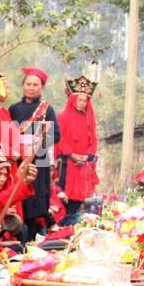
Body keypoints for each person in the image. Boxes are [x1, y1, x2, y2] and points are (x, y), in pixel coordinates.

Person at [9, 66, 61, 235]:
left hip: (39, 162)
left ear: (42, 88)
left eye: (35, 85)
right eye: (28, 84)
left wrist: (37, 142)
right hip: (18, 161)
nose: (31, 88)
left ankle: (32, 240)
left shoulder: (47, 110)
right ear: (23, 86)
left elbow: (56, 135)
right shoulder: (13, 109)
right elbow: (7, 134)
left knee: (35, 203)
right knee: (19, 201)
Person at [55, 73, 100, 225]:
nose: (82, 103)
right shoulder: (63, 117)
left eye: (85, 100)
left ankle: (71, 226)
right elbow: (59, 138)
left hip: (82, 165)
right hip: (67, 164)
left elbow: (93, 140)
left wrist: (86, 156)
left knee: (77, 202)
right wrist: (72, 154)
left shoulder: (89, 120)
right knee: (64, 199)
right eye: (80, 100)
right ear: (73, 99)